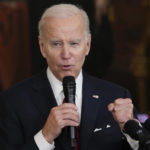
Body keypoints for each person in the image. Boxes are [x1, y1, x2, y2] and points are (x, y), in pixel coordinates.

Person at [0, 3, 140, 150]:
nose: (66, 55)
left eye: (74, 43)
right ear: (42, 47)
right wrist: (45, 136)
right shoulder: (11, 102)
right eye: (56, 44)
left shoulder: (116, 96)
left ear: (87, 45)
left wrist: (130, 131)